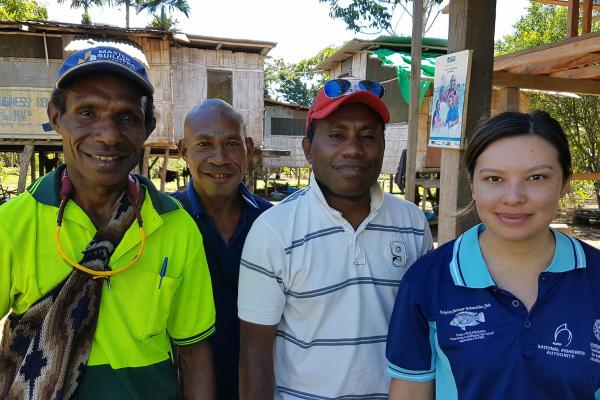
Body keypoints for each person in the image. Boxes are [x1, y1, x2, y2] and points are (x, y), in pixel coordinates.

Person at [0, 43, 216, 399]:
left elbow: (193, 354)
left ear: (148, 128)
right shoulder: (13, 225)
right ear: (57, 117)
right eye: (87, 112)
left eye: (128, 117)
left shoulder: (175, 227)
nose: (109, 135)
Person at [238, 77, 433, 399]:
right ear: (308, 149)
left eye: (368, 136)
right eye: (337, 135)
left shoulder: (411, 222)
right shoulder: (274, 229)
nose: (353, 149)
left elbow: (424, 330)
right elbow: (254, 354)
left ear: (384, 146)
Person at [386, 111, 600, 399]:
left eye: (536, 177)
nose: (513, 197)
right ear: (473, 184)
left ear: (564, 183)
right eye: (494, 179)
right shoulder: (428, 279)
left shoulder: (594, 275)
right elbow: (410, 391)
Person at [173, 99, 272, 399]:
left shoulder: (273, 223)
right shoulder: (164, 221)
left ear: (249, 148)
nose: (219, 158)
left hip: (261, 386)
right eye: (204, 144)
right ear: (183, 151)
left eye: (231, 143)